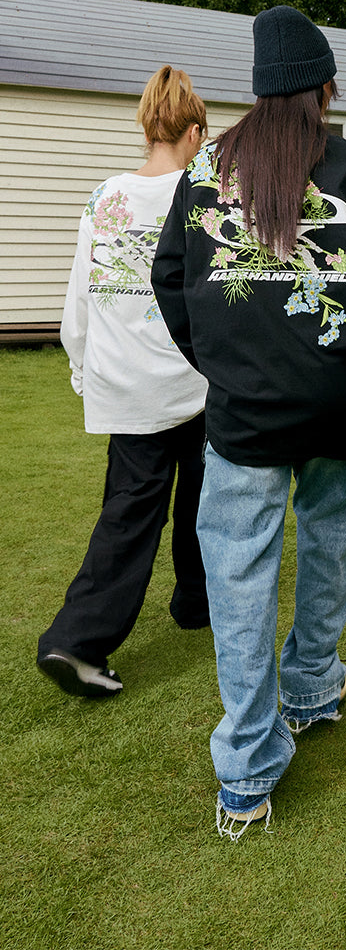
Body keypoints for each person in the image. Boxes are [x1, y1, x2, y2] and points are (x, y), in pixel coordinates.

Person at [152, 6, 346, 840]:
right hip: (339, 405)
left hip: (243, 415)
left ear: (260, 85)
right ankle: (309, 688)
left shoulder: (207, 171)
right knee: (330, 551)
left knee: (238, 576)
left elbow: (170, 279)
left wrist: (220, 364)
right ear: (324, 86)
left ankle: (245, 770)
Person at [37, 67, 210, 699]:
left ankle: (188, 603)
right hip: (191, 382)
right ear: (194, 132)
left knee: (139, 507)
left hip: (125, 382)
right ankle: (83, 638)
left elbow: (80, 298)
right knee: (198, 500)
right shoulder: (200, 197)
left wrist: (83, 366)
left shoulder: (103, 197)